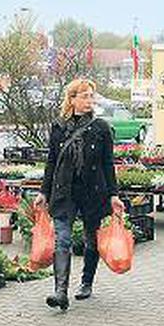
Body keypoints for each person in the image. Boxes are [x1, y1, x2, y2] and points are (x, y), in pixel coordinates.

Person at [35, 78, 125, 311]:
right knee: (62, 239)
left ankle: (86, 282)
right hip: (65, 191)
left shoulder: (101, 128)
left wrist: (114, 195)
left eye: (91, 96)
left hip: (93, 192)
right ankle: (60, 291)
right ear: (72, 99)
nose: (89, 100)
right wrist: (44, 191)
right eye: (84, 96)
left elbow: (108, 164)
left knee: (91, 239)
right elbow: (52, 162)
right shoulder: (59, 127)